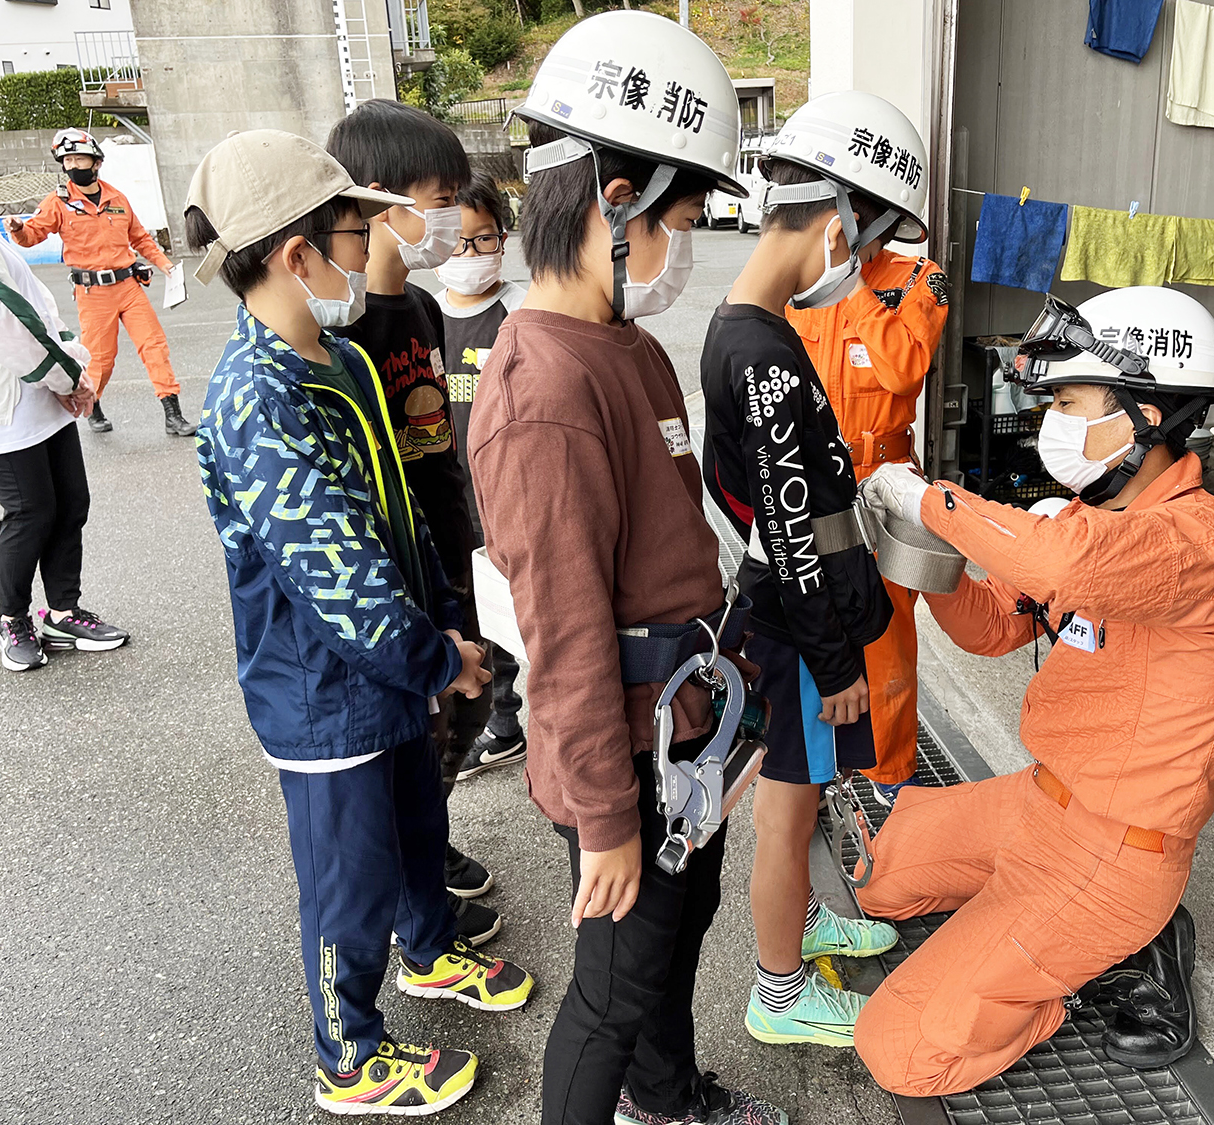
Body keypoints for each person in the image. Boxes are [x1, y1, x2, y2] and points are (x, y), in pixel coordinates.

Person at [468, 12, 784, 1125]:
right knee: (606, 995)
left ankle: (668, 1096)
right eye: (681, 218)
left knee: (672, 941)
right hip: (626, 759)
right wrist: (606, 819)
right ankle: (636, 1091)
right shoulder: (545, 396)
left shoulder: (628, 346)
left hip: (680, 735)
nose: (685, 246)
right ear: (615, 202)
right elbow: (561, 636)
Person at [186, 128, 534, 1118]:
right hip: (322, 693)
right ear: (296, 254)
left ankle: (428, 953)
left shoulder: (332, 354)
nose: (374, 242)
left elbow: (391, 509)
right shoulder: (259, 398)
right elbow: (332, 572)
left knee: (418, 822)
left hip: (383, 674)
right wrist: (432, 656)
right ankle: (349, 1054)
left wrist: (439, 636)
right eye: (355, 228)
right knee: (349, 880)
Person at [855, 287, 1214, 1095]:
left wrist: (929, 497)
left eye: (1071, 401)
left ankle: (1089, 960)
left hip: (1115, 854)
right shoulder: (1085, 517)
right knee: (875, 871)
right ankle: (1026, 932)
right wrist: (917, 550)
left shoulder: (1202, 540)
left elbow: (1065, 566)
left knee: (900, 1048)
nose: (1053, 423)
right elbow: (988, 628)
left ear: (1146, 413)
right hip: (1038, 802)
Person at [700, 92, 908, 1051]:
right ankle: (778, 990)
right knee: (787, 810)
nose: (858, 272)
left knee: (804, 794)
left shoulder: (744, 326)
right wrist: (837, 667)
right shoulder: (766, 354)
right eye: (860, 250)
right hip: (793, 634)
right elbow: (791, 535)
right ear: (833, 226)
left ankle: (801, 927)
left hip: (784, 619)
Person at [325, 100, 506, 947]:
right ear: (379, 200)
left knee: (467, 707)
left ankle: (426, 844)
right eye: (438, 199)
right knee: (420, 726)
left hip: (453, 549)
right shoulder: (347, 330)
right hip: (401, 577)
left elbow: (440, 452)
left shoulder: (422, 314)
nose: (446, 221)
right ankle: (412, 896)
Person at [781, 95, 948, 807]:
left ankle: (892, 771)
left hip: (886, 481)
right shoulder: (801, 283)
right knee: (818, 625)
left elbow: (902, 367)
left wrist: (848, 287)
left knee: (886, 638)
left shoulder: (918, 280)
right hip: (817, 480)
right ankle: (830, 760)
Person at [0, 108, 130, 672]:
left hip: (40, 386)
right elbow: (4, 321)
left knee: (71, 502)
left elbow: (34, 301)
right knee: (30, 512)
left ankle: (62, 611)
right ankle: (13, 619)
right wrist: (70, 378)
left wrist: (73, 364)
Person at [432, 170, 529, 783]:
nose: (472, 255)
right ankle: (487, 717)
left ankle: (507, 722)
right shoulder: (424, 314)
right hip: (450, 496)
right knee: (467, 615)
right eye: (459, 241)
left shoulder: (521, 309)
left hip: (507, 493)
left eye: (486, 239)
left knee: (509, 610)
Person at [7, 129, 195, 437]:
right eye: (67, 160)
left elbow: (141, 239)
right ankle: (93, 406)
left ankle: (173, 414)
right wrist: (18, 229)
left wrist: (167, 266)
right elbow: (32, 235)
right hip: (92, 293)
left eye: (79, 158)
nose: (73, 166)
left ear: (96, 162)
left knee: (154, 347)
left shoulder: (117, 199)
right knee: (100, 359)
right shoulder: (57, 203)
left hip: (129, 287)